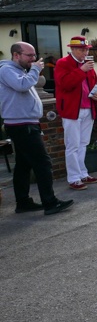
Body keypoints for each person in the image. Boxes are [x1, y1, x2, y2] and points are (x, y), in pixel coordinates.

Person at [0, 42, 74, 215]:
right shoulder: (6, 70)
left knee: (23, 165)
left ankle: (23, 202)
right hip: (21, 125)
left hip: (25, 123)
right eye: (29, 55)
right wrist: (34, 70)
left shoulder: (18, 71)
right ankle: (50, 203)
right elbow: (22, 86)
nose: (33, 59)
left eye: (34, 55)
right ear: (16, 55)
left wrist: (31, 70)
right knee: (43, 163)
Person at [54, 36, 97, 190]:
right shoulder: (63, 63)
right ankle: (74, 178)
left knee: (83, 144)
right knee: (72, 145)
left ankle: (83, 174)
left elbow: (93, 85)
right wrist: (81, 70)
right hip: (71, 110)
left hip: (87, 108)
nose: (85, 52)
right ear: (73, 49)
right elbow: (65, 84)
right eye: (82, 50)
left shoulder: (88, 66)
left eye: (87, 49)